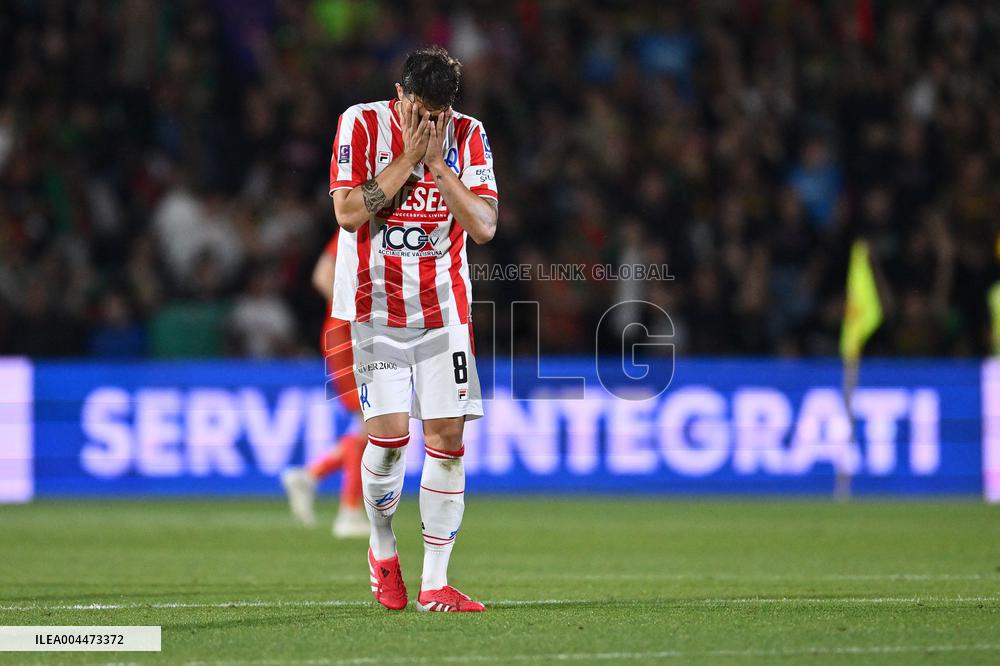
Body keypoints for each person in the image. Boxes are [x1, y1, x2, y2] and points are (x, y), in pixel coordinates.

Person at [329, 46, 497, 612]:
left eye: (439, 114)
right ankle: (381, 548)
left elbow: (484, 226)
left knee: (447, 442)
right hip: (374, 310)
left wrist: (439, 166)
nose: (430, 123)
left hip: (444, 314)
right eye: (420, 111)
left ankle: (434, 583)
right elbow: (348, 213)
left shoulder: (468, 135)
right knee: (388, 440)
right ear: (399, 95)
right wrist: (408, 157)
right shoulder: (359, 123)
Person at [281, 231, 369, 538]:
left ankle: (309, 477)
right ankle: (349, 511)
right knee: (371, 423)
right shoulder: (357, 228)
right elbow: (321, 276)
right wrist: (356, 312)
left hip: (364, 337)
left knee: (374, 427)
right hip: (348, 336)